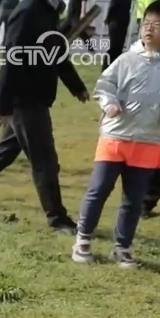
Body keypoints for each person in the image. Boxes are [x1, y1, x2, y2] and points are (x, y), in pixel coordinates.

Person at [0, 0, 90, 233]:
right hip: (25, 99)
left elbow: (56, 52)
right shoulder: (27, 12)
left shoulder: (48, 11)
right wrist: (3, 106)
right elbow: (10, 58)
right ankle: (57, 218)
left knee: (4, 154)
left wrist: (76, 86)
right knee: (45, 161)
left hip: (35, 98)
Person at [72, 3, 160, 268]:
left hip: (148, 142)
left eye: (156, 26)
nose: (149, 30)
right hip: (115, 137)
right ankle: (82, 240)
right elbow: (105, 85)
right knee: (98, 190)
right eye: (146, 24)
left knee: (134, 199)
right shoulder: (126, 60)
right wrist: (109, 103)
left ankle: (122, 247)